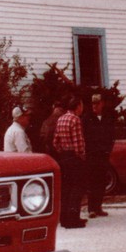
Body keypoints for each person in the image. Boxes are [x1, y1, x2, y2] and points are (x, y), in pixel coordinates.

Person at [53, 95, 88, 228]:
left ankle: (64, 218)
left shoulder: (61, 118)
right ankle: (73, 219)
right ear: (78, 106)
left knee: (66, 187)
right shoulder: (75, 120)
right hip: (75, 157)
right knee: (77, 188)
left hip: (64, 157)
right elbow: (78, 143)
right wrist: (82, 155)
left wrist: (62, 151)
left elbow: (55, 141)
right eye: (81, 105)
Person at [82, 93, 116, 218]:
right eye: (93, 103)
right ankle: (91, 208)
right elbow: (84, 136)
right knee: (92, 181)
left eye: (97, 103)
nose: (94, 106)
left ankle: (98, 207)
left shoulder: (108, 117)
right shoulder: (87, 118)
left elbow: (112, 135)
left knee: (101, 181)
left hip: (103, 154)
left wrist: (108, 150)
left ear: (102, 103)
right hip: (92, 155)